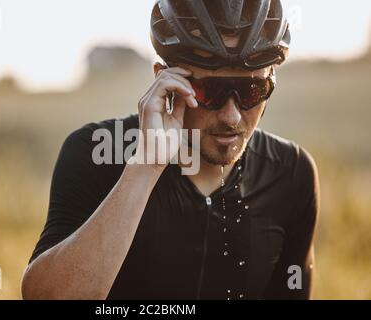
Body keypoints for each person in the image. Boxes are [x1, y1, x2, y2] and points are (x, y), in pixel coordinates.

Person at [22, 0, 319, 300]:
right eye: (208, 92)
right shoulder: (95, 153)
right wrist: (145, 166)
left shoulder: (292, 173)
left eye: (251, 91)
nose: (232, 116)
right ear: (163, 81)